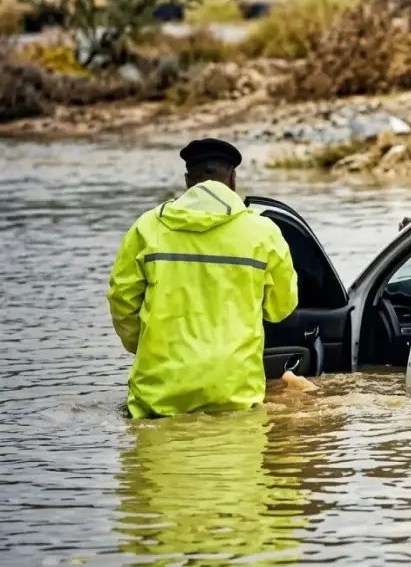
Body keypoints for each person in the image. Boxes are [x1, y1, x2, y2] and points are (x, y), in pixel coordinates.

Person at [107, 138, 299, 420]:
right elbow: (281, 307)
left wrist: (146, 346)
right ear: (233, 179)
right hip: (234, 393)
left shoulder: (146, 228)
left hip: (159, 393)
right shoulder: (263, 232)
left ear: (188, 180)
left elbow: (122, 300)